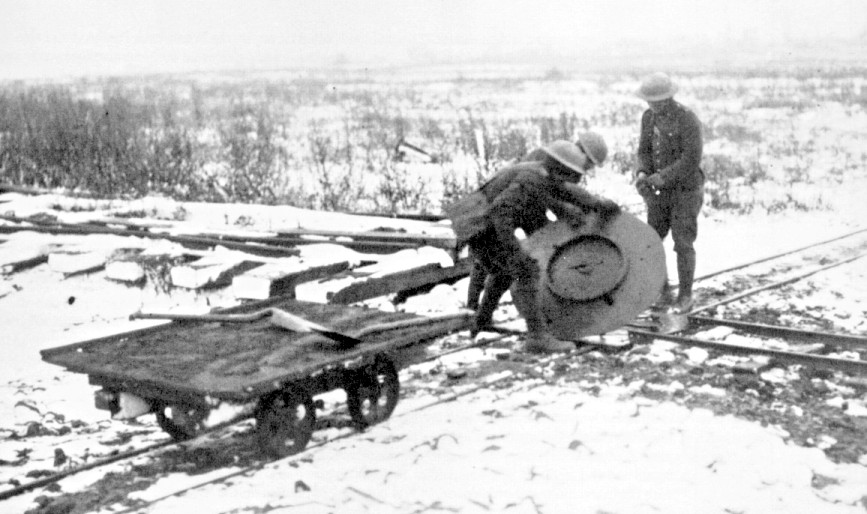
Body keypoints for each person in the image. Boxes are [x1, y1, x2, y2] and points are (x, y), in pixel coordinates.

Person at [452, 137, 619, 353]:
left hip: (479, 221)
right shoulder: (531, 180)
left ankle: (482, 320)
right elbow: (499, 213)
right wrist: (514, 250)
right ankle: (537, 338)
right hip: (479, 225)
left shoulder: (542, 173)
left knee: (505, 271)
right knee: (525, 269)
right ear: (562, 169)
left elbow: (565, 192)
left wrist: (597, 204)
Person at [633, 72, 704, 313]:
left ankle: (685, 296)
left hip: (686, 191)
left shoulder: (687, 119)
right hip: (658, 193)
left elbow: (691, 159)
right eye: (650, 101)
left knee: (683, 242)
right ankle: (663, 292)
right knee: (652, 240)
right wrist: (642, 172)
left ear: (670, 97)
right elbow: (643, 150)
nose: (654, 105)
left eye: (659, 100)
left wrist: (664, 177)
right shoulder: (648, 118)